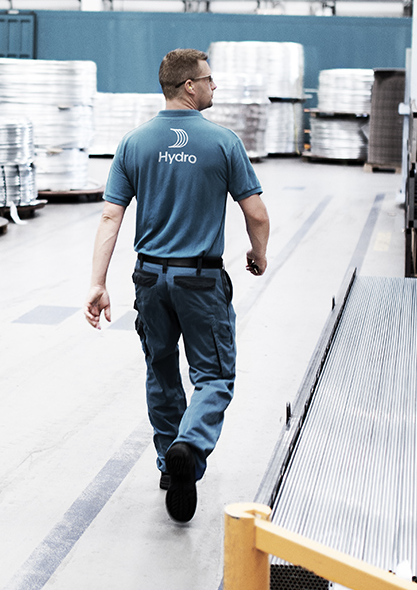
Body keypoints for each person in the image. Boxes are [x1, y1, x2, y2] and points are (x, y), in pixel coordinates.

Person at [84, 48, 270, 523]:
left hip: (149, 279)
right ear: (189, 85)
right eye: (209, 80)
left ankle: (171, 465)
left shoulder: (134, 143)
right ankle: (189, 445)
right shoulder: (223, 142)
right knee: (214, 377)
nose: (214, 86)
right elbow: (256, 214)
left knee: (161, 369)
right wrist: (258, 253)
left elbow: (110, 217)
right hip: (200, 280)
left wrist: (98, 283)